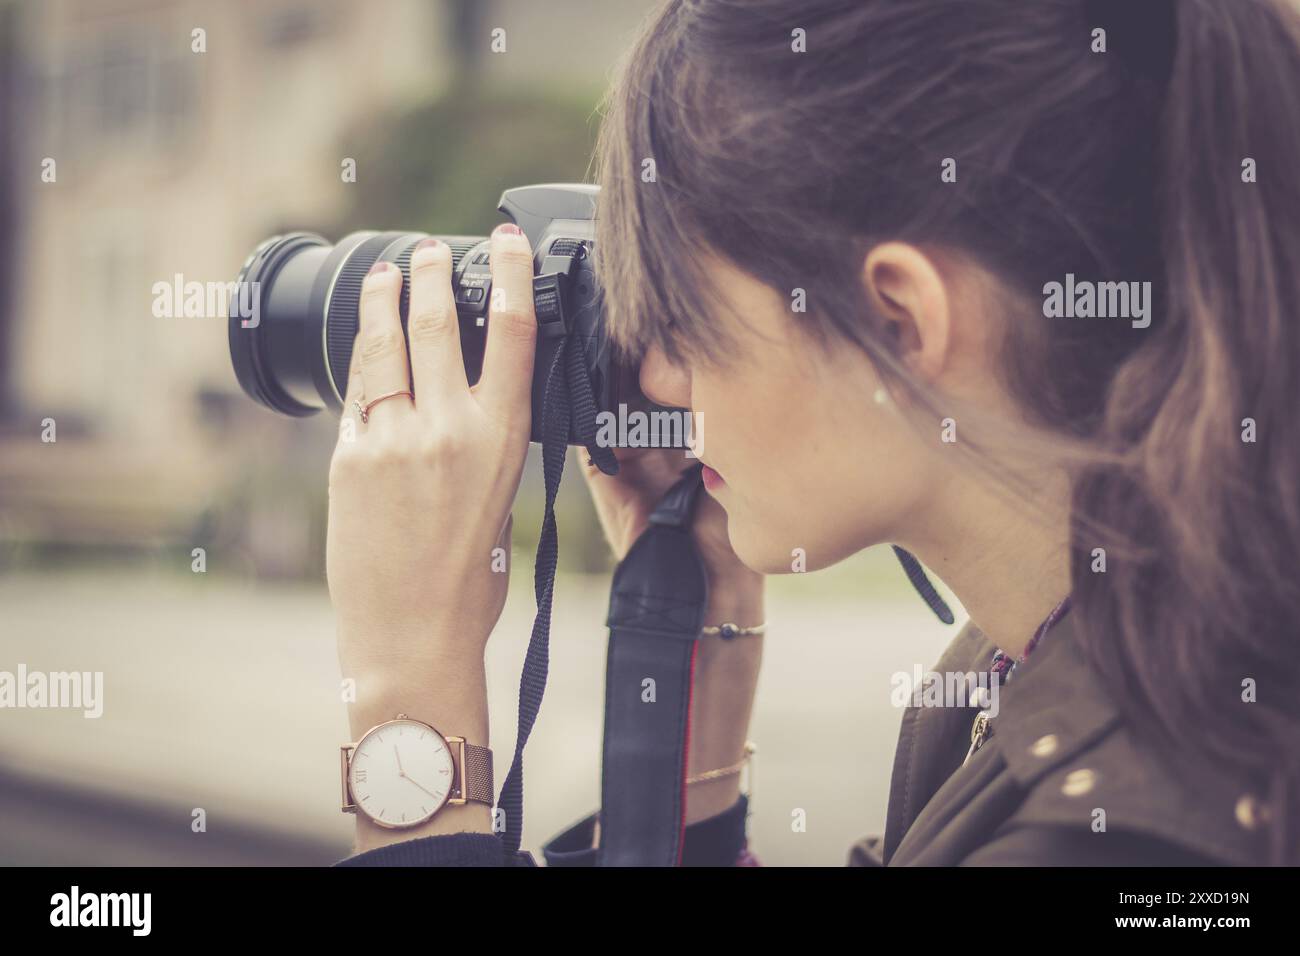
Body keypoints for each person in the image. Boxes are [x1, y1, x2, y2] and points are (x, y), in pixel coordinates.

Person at [328, 0, 1300, 866]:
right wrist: (692, 720)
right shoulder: (1038, 670)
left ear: (896, 320)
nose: (660, 376)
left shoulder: (1124, 830)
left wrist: (410, 708)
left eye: (684, 315)